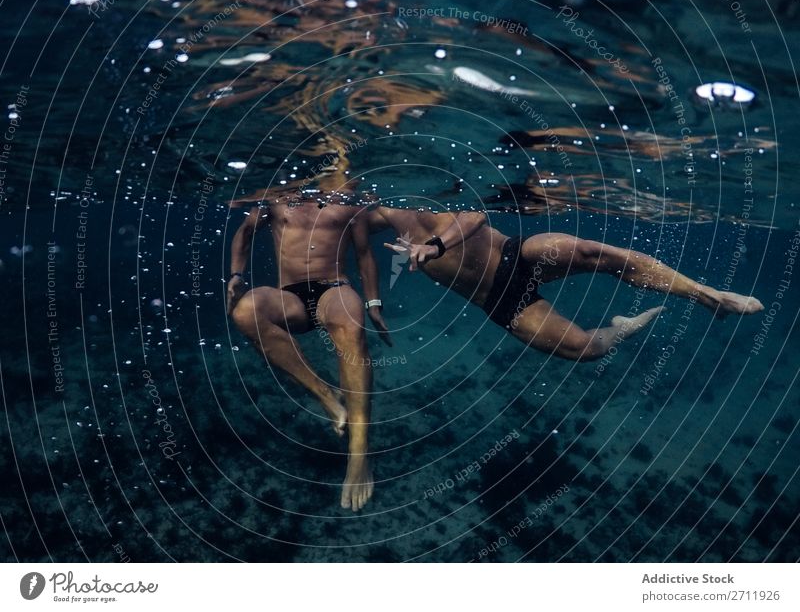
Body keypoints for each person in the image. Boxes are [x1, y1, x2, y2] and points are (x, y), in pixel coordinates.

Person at [370, 206, 763, 360]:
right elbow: (361, 255)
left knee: (593, 252)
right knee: (584, 349)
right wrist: (372, 304)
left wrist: (435, 246)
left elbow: (474, 217)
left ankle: (708, 295)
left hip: (513, 254)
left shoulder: (426, 187)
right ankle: (621, 328)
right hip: (496, 300)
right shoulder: (370, 213)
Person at [227, 188, 390, 511]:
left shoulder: (349, 200)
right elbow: (245, 231)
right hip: (289, 296)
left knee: (351, 320)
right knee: (246, 312)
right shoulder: (276, 195)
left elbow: (364, 254)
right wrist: (235, 275)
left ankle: (359, 451)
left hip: (334, 289)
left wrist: (373, 303)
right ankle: (326, 396)